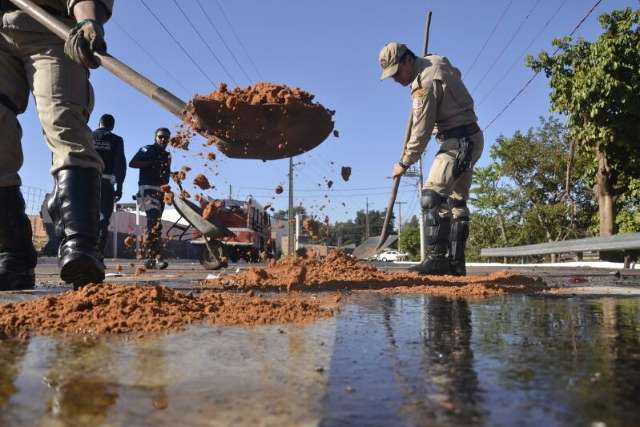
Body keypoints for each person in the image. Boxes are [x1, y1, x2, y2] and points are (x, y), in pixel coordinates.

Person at [0, 0, 114, 290]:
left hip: (50, 29)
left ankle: (80, 246)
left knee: (63, 123)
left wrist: (88, 21)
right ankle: (12, 255)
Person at [379, 42, 484, 276]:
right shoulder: (436, 61)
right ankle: (456, 264)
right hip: (472, 137)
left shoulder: (423, 85)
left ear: (408, 60)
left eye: (397, 72)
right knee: (457, 202)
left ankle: (437, 260)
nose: (396, 79)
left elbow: (421, 131)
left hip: (457, 141)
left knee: (431, 196)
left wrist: (404, 162)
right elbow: (455, 73)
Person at [129, 128, 171, 270]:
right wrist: (150, 163)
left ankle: (151, 257)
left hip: (161, 193)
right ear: (155, 137)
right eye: (160, 137)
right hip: (147, 190)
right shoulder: (147, 149)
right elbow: (132, 163)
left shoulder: (167, 155)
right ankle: (154, 257)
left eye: (166, 138)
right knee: (153, 221)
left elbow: (165, 173)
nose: (163, 139)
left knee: (156, 223)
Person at [93, 113, 126, 257]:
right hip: (106, 184)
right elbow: (120, 164)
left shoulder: (87, 135)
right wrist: (119, 187)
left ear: (99, 123)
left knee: (85, 217)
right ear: (112, 126)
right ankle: (98, 254)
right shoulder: (116, 140)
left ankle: (84, 251)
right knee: (103, 220)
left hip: (86, 182)